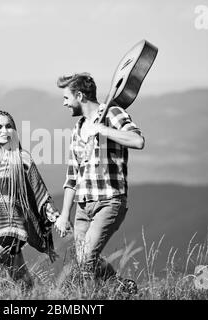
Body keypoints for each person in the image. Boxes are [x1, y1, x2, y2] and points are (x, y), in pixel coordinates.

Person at [54, 73, 143, 292]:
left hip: (109, 201)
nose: (64, 103)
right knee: (87, 264)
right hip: (83, 208)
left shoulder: (112, 113)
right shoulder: (78, 128)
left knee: (86, 260)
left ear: (80, 96)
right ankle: (121, 287)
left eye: (67, 97)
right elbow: (72, 175)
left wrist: (102, 129)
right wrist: (65, 215)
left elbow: (138, 140)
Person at [0, 110, 59, 289]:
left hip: (14, 227)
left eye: (9, 126)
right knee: (21, 280)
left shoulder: (22, 158)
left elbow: (39, 192)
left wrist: (56, 217)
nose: (4, 131)